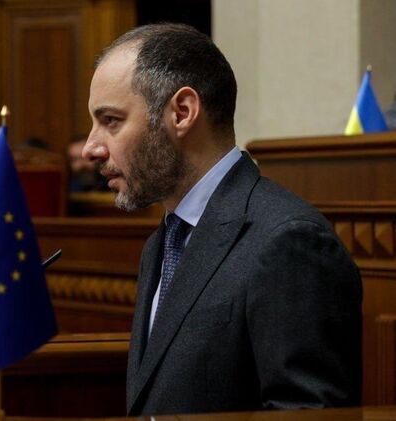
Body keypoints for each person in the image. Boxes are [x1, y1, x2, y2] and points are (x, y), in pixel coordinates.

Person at [82, 24, 362, 416]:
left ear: (182, 113)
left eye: (111, 120)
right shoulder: (163, 241)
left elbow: (307, 411)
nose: (91, 148)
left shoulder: (287, 242)